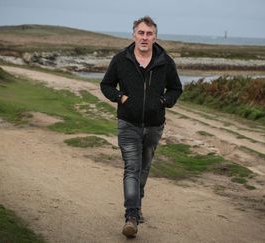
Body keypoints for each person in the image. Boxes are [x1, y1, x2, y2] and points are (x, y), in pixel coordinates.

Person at [100, 16, 182, 238]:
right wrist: (120, 98)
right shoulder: (120, 60)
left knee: (144, 168)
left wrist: (164, 102)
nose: (145, 37)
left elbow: (176, 89)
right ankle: (132, 217)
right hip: (128, 123)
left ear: (155, 37)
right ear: (133, 34)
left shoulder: (165, 62)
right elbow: (106, 84)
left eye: (149, 34)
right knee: (132, 168)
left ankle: (137, 203)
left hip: (155, 125)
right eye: (141, 33)